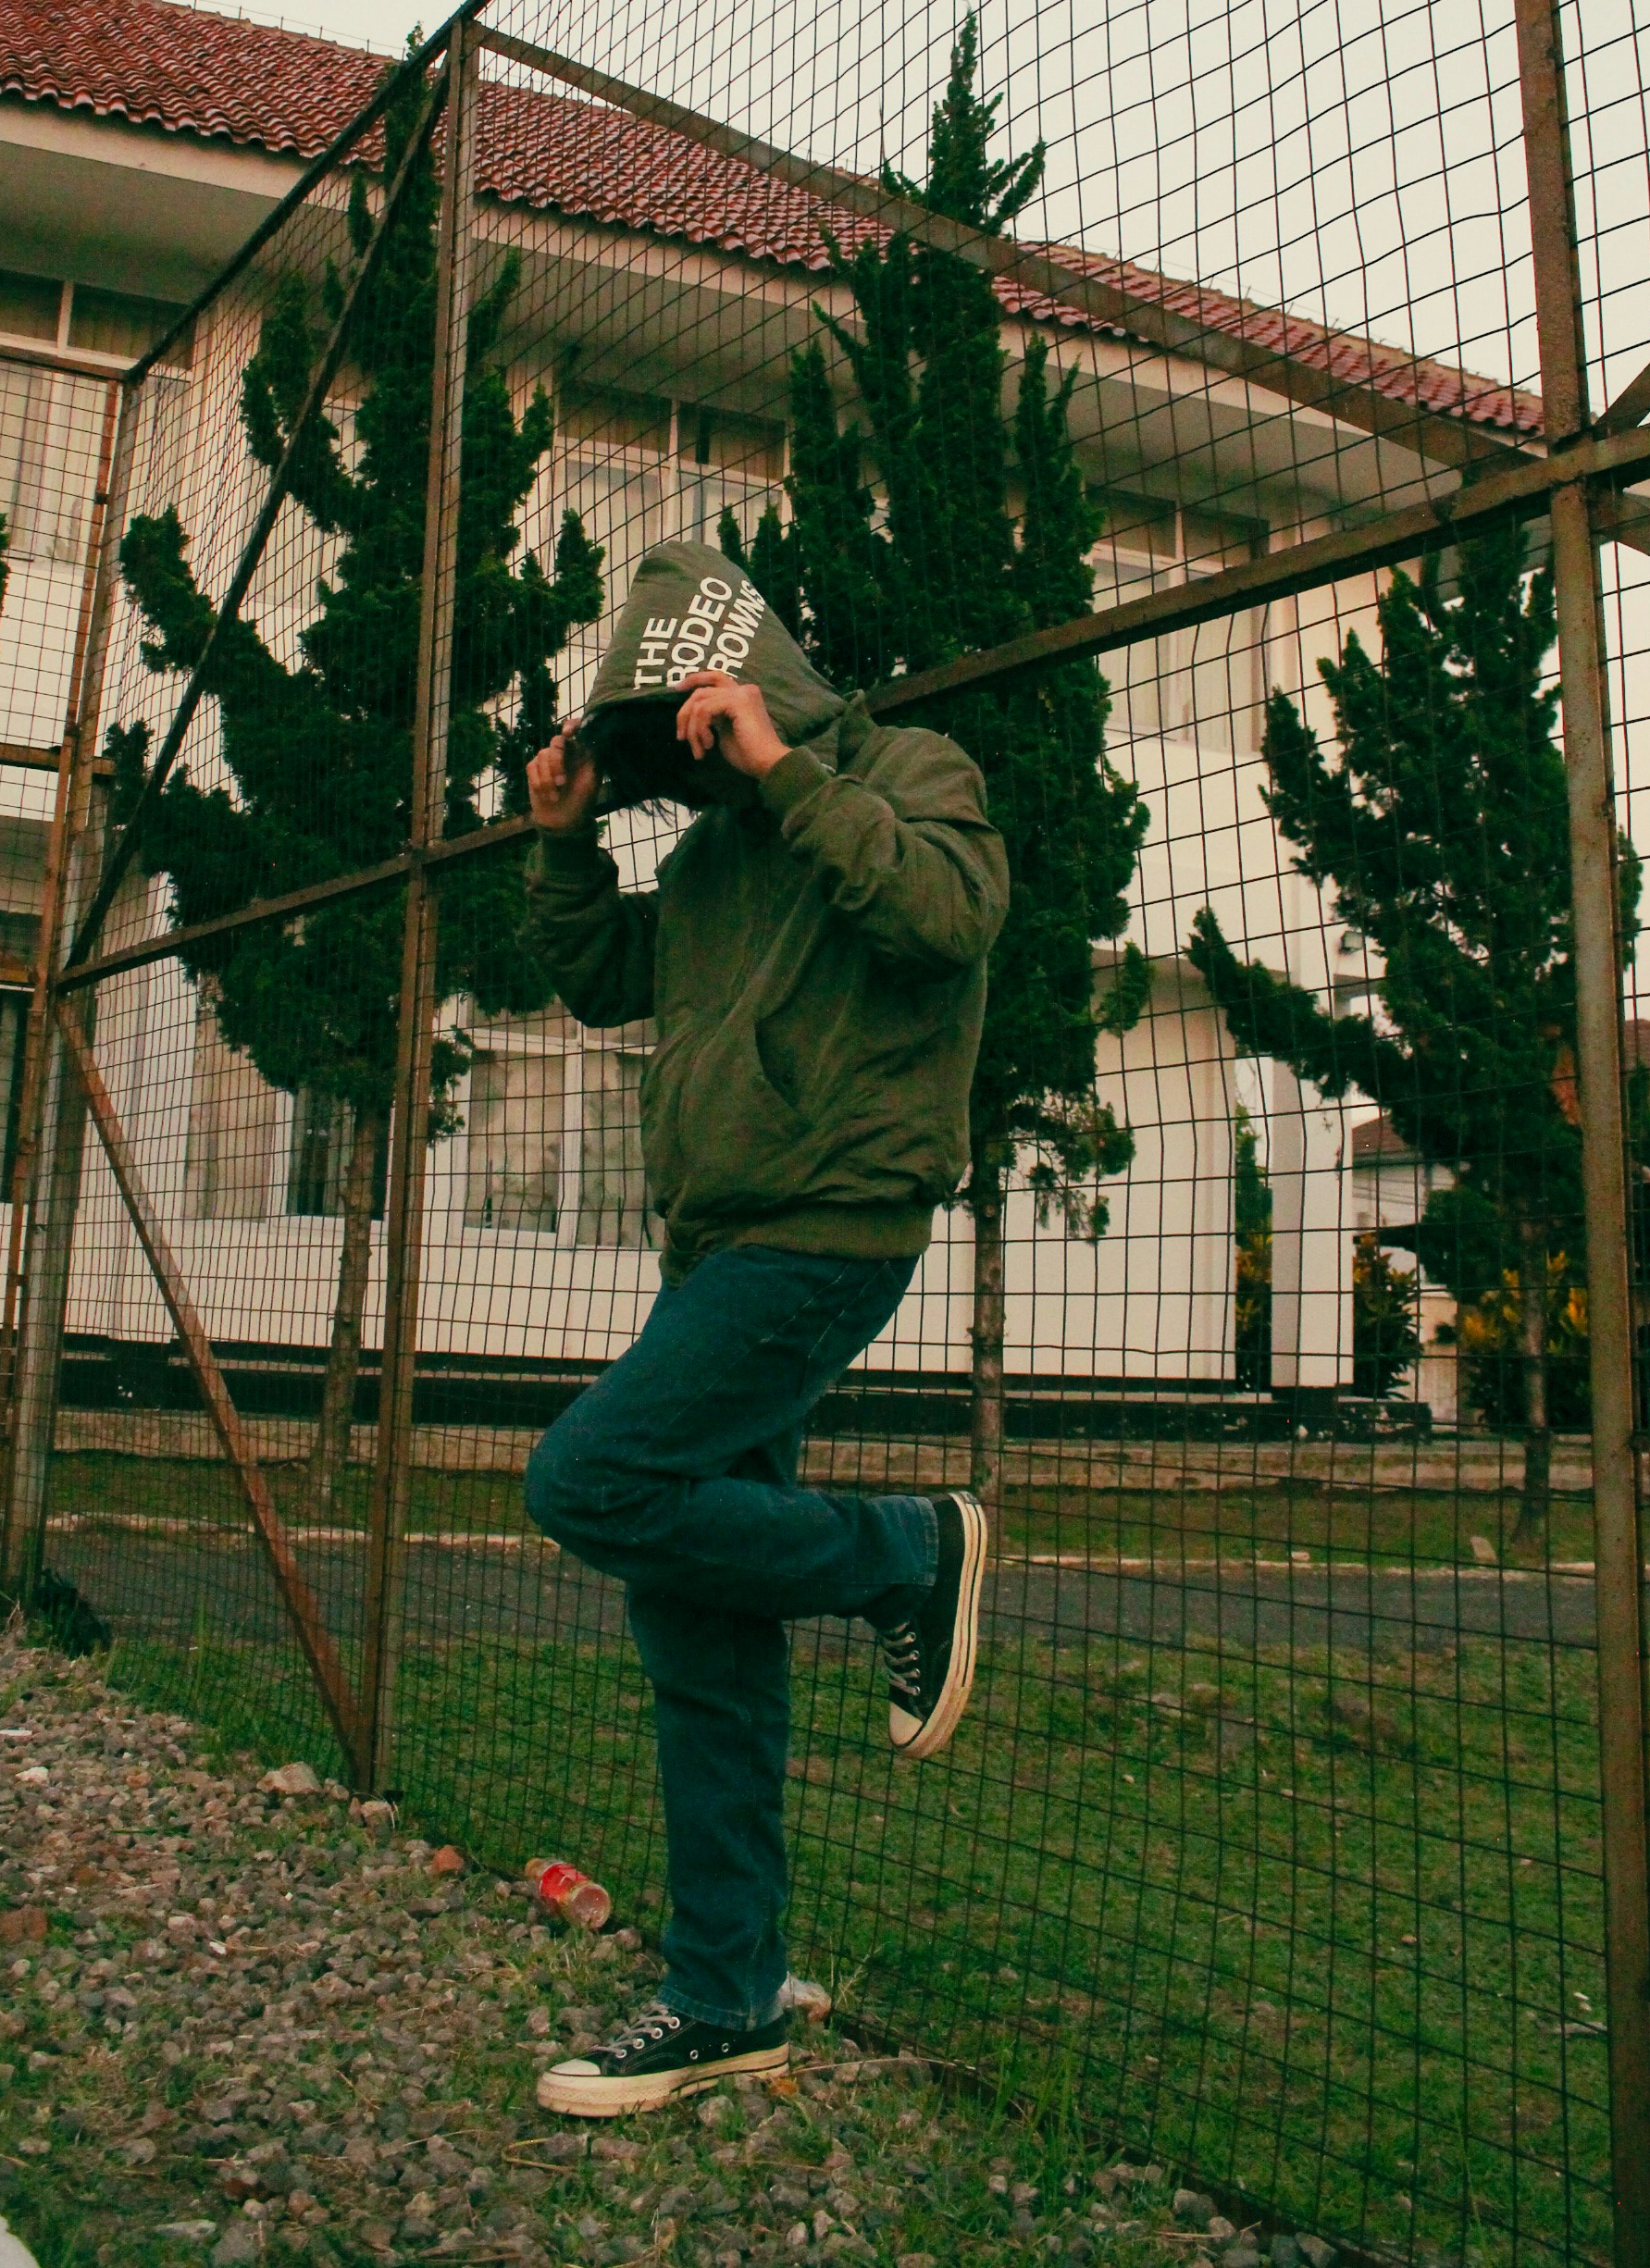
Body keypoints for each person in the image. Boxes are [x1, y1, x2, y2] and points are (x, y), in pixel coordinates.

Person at [520, 539, 1009, 2118]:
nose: (693, 760)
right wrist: (565, 844)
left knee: (591, 1482)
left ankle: (909, 1555)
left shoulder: (903, 769)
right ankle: (728, 1995)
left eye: (695, 722)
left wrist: (789, 770)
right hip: (721, 1239)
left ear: (757, 683)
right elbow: (605, 986)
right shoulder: (718, 860)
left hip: (830, 1220)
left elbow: (948, 916)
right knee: (695, 1619)